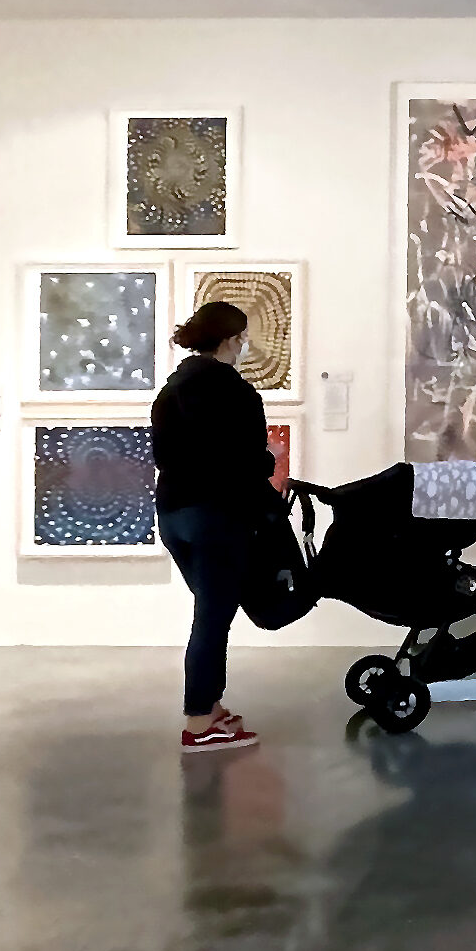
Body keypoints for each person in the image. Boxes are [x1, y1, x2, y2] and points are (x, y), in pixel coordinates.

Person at [153, 301, 279, 752]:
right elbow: (246, 462)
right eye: (242, 337)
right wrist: (270, 461)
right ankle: (199, 721)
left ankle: (209, 705)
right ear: (230, 340)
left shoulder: (171, 391)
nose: (245, 345)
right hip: (217, 517)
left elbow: (165, 458)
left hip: (174, 516)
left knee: (209, 611)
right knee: (212, 619)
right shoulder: (237, 394)